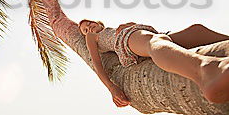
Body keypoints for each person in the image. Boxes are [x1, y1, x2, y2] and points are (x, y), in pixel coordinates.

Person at [78, 19, 229, 107]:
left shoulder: (113, 28)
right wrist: (112, 88)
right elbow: (97, 64)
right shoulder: (92, 37)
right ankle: (206, 70)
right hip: (128, 40)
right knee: (154, 42)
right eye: (84, 29)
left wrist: (128, 24)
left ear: (99, 22)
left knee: (196, 30)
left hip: (149, 34)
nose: (88, 27)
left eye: (89, 23)